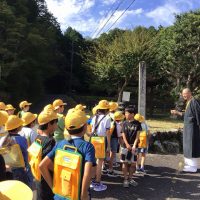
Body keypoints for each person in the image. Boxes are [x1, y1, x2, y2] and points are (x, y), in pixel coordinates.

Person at [39, 109, 96, 200]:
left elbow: (42, 166)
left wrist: (53, 187)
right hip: (76, 195)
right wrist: (84, 194)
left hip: (60, 193)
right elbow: (87, 174)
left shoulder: (60, 144)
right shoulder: (88, 147)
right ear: (85, 127)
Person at [171, 88, 200, 172]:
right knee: (189, 146)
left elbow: (198, 114)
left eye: (186, 94)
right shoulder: (189, 102)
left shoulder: (194, 101)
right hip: (189, 128)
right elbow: (188, 115)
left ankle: (192, 167)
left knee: (191, 146)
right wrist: (177, 112)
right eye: (183, 94)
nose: (184, 95)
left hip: (193, 129)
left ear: (190, 93)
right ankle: (193, 165)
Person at [35, 108, 58, 200]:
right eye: (56, 122)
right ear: (49, 124)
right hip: (47, 180)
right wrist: (58, 171)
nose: (57, 125)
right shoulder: (50, 141)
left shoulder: (38, 137)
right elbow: (47, 164)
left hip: (39, 177)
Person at [90, 100, 111, 191]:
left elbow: (91, 129)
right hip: (102, 140)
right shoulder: (107, 118)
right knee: (100, 162)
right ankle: (97, 182)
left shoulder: (95, 117)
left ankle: (91, 180)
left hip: (93, 139)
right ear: (106, 109)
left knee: (92, 160)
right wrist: (109, 146)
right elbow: (107, 133)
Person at [4, 115, 30, 186]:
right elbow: (25, 153)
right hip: (19, 169)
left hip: (7, 168)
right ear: (18, 127)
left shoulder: (4, 139)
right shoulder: (22, 139)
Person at [121, 105, 142, 188]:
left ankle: (130, 178)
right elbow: (123, 135)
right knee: (124, 163)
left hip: (134, 147)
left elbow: (137, 136)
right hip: (124, 147)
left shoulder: (138, 124)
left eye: (127, 113)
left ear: (132, 114)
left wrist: (134, 146)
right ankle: (125, 179)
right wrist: (126, 144)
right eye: (125, 113)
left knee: (133, 164)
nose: (125, 114)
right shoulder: (124, 123)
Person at [107, 111, 124, 177]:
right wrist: (123, 146)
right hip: (114, 139)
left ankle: (104, 168)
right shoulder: (118, 125)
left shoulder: (111, 122)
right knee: (112, 154)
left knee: (106, 153)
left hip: (107, 139)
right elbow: (120, 137)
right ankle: (110, 170)